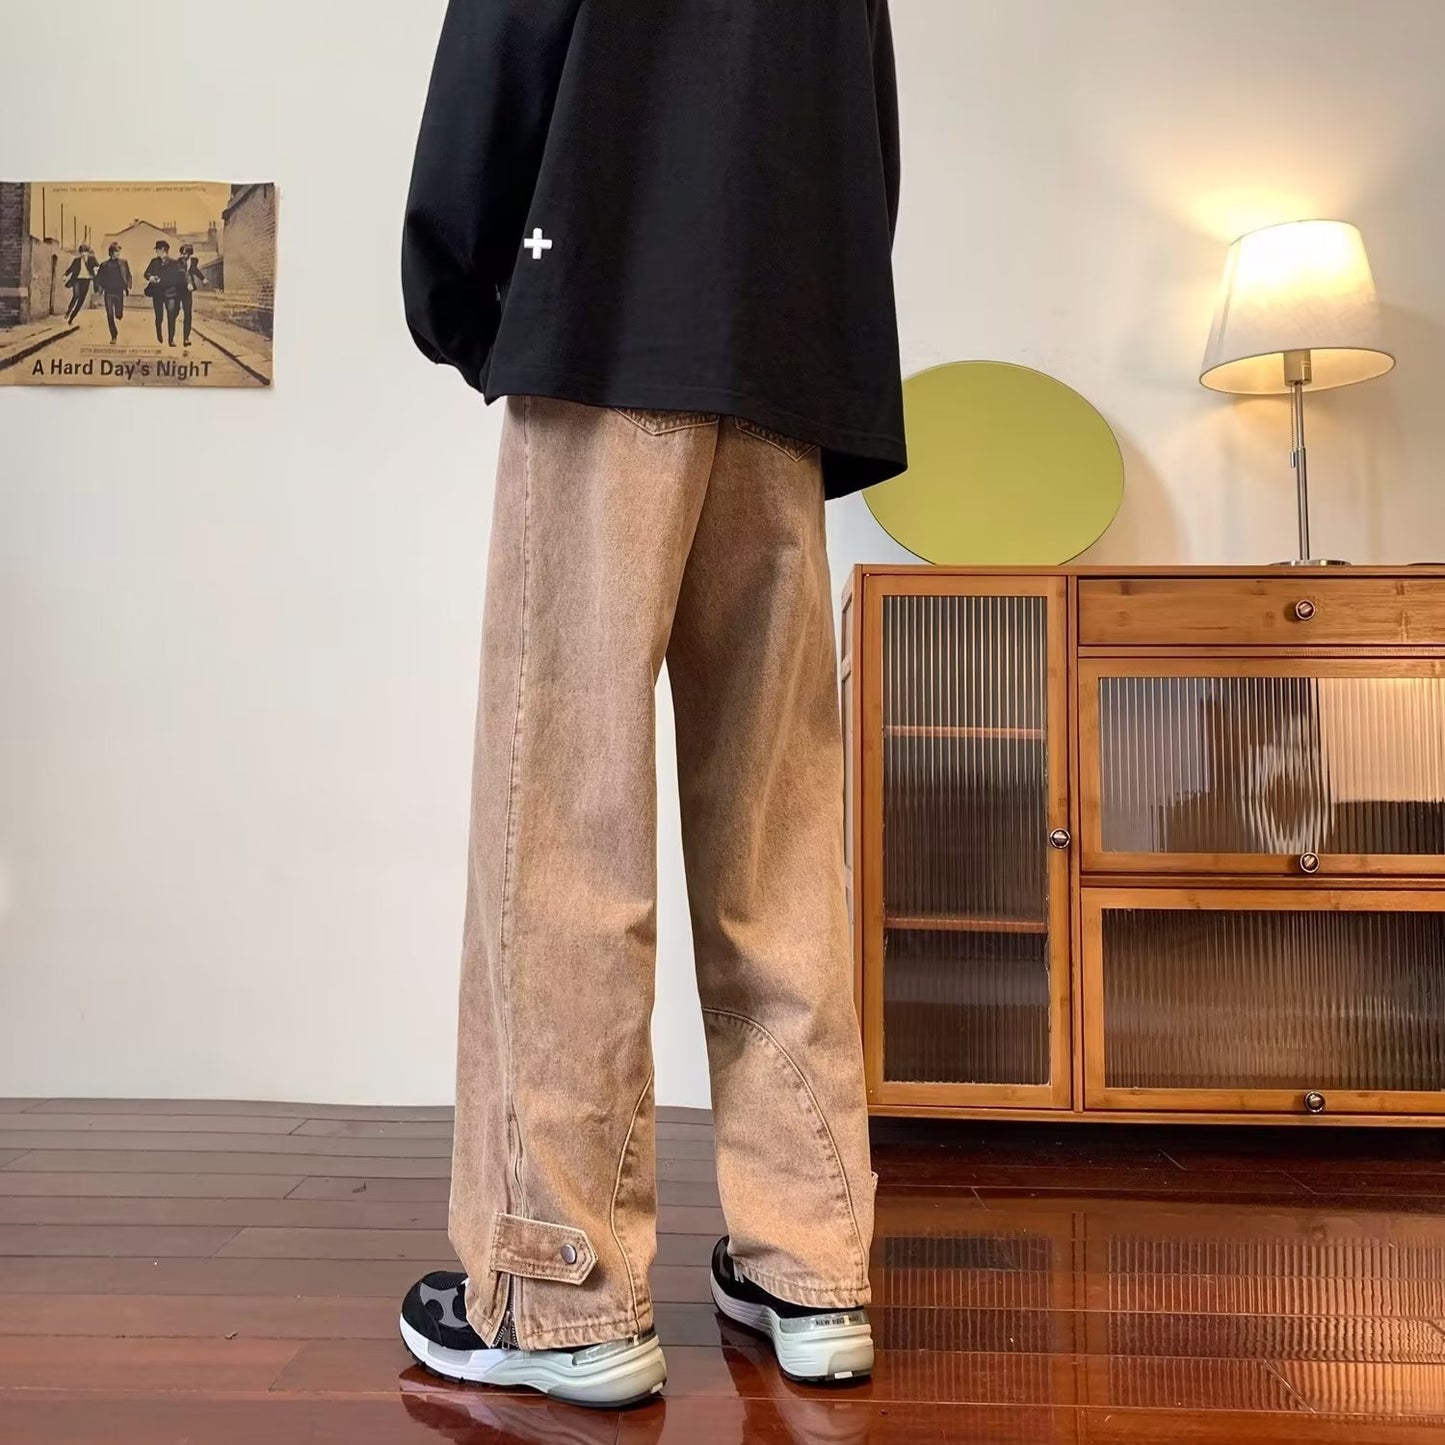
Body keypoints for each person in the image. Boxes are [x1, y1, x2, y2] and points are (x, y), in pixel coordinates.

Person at [399, 0, 903, 1411]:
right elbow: (867, 145)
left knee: (561, 818)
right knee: (777, 831)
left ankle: (558, 1288)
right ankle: (812, 1263)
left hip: (606, 328)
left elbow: (496, 68)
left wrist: (469, 307)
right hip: (784, 365)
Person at [143, 239, 185, 347]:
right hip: (157, 293)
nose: (156, 251)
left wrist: (164, 280)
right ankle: (159, 332)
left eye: (157, 249)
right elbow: (146, 274)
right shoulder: (154, 262)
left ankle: (171, 339)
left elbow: (179, 277)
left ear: (162, 250)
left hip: (170, 293)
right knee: (159, 316)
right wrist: (150, 277)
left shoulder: (174, 263)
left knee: (171, 315)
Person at [94, 243, 132, 344]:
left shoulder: (124, 263)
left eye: (119, 251)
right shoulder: (104, 265)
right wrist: (99, 289)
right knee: (109, 314)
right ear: (111, 252)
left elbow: (128, 275)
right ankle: (114, 335)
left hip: (119, 292)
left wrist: (128, 286)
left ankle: (119, 314)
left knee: (119, 315)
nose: (118, 253)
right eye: (116, 251)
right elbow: (99, 278)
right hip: (109, 293)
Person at [177, 242, 206, 350]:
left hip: (187, 292)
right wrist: (189, 282)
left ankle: (186, 338)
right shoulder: (179, 262)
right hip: (178, 289)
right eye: (181, 253)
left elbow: (195, 270)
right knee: (174, 311)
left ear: (189, 253)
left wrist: (203, 278)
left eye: (184, 253)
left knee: (188, 313)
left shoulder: (193, 261)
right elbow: (184, 273)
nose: (182, 255)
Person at [63, 244, 96, 324]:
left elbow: (97, 267)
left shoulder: (92, 259)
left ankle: (72, 318)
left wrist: (95, 272)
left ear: (88, 252)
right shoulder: (76, 260)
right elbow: (71, 269)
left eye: (85, 252)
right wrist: (65, 275)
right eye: (82, 252)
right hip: (77, 280)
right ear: (80, 253)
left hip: (86, 281)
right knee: (76, 295)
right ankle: (69, 310)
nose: (83, 254)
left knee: (81, 301)